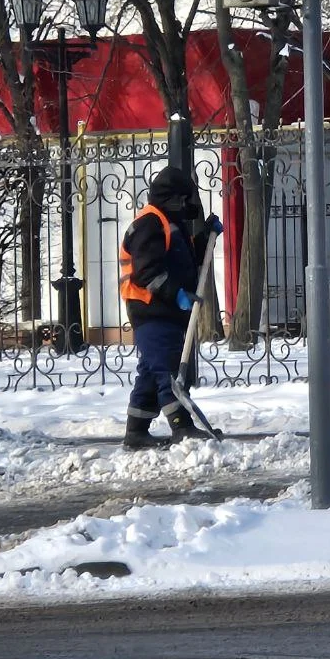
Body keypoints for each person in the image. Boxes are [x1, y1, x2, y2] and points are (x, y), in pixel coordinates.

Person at [119, 165, 223, 449]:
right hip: (151, 312)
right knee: (168, 369)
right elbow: (148, 272)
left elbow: (185, 261)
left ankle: (136, 431)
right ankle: (181, 426)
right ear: (172, 197)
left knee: (151, 373)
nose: (189, 204)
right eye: (185, 198)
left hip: (168, 314)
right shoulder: (150, 224)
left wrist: (205, 238)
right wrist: (176, 294)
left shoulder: (171, 224)